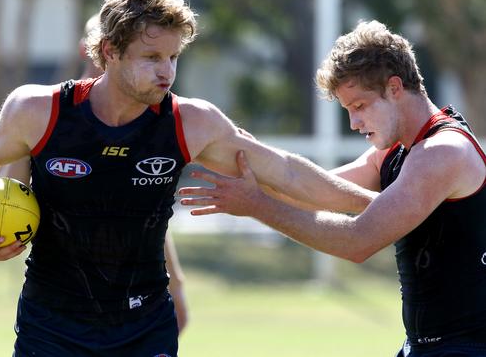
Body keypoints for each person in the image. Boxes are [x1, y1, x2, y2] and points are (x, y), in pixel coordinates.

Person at [0, 0, 375, 355]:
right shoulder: (38, 111)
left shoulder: (191, 122)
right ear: (109, 52)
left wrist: (381, 206)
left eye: (172, 56)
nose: (167, 70)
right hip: (51, 324)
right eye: (151, 57)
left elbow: (287, 174)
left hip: (144, 326)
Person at [179, 20, 486, 356]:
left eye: (359, 107)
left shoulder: (441, 152)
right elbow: (308, 188)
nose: (354, 123)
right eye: (348, 110)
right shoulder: (396, 150)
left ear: (395, 88)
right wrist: (245, 158)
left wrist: (257, 205)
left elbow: (357, 240)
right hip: (426, 346)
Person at [0, 11, 189, 334]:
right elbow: (10, 194)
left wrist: (176, 282)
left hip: (133, 302)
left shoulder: (155, 115)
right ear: (95, 48)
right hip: (59, 305)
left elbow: (146, 215)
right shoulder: (49, 114)